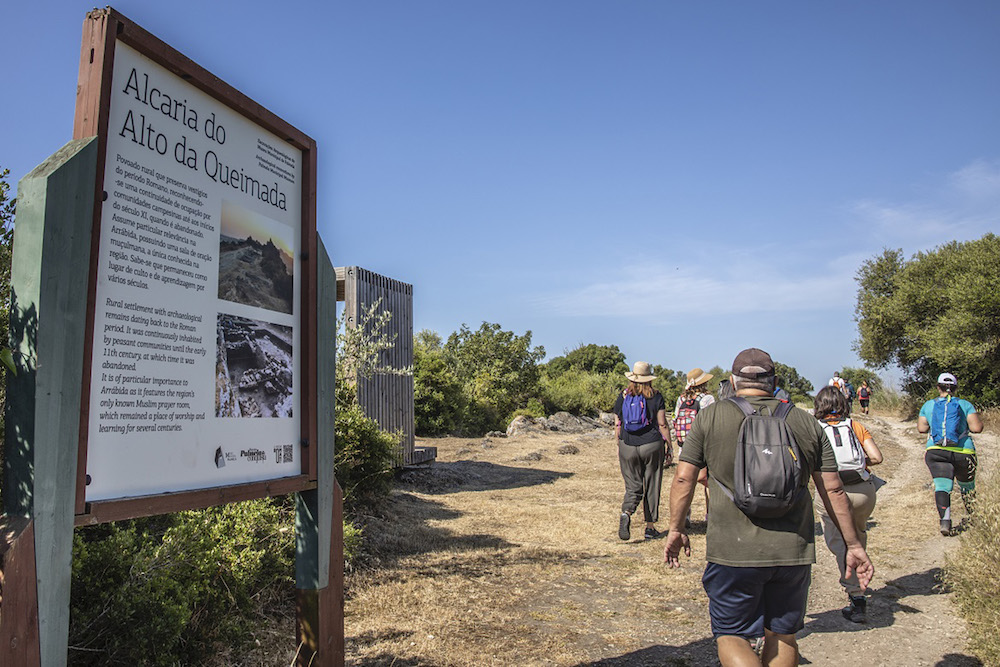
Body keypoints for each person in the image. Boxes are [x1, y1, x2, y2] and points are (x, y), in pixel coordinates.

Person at [665, 348, 873, 667]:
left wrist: (676, 529)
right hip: (792, 551)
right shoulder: (805, 422)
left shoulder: (711, 417)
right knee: (782, 636)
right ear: (774, 381)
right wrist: (853, 544)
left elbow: (683, 480)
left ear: (733, 383)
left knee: (732, 635)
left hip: (732, 552)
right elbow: (832, 488)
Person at [813, 386, 884, 623]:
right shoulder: (855, 426)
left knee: (840, 543)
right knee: (858, 535)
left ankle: (856, 595)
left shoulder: (815, 429)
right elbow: (877, 457)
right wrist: (860, 463)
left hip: (831, 492)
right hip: (863, 491)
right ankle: (861, 574)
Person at [917, 373, 984, 536]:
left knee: (942, 486)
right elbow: (976, 428)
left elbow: (921, 428)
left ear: (938, 387)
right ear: (955, 388)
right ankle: (972, 517)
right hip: (964, 452)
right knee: (967, 486)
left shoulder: (928, 405)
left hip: (936, 451)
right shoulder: (965, 405)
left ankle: (945, 522)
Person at [614, 361, 673, 541]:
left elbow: (617, 422)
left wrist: (619, 442)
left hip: (628, 444)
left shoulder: (623, 396)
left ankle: (627, 512)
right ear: (649, 379)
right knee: (652, 484)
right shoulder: (656, 396)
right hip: (651, 444)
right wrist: (669, 446)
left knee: (633, 484)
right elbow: (662, 423)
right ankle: (650, 528)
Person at [673, 368, 716, 523]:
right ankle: (710, 515)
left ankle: (685, 515)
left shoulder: (681, 399)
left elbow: (675, 419)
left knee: (686, 481)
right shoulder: (708, 399)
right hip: (704, 445)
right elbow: (712, 422)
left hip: (685, 446)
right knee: (708, 482)